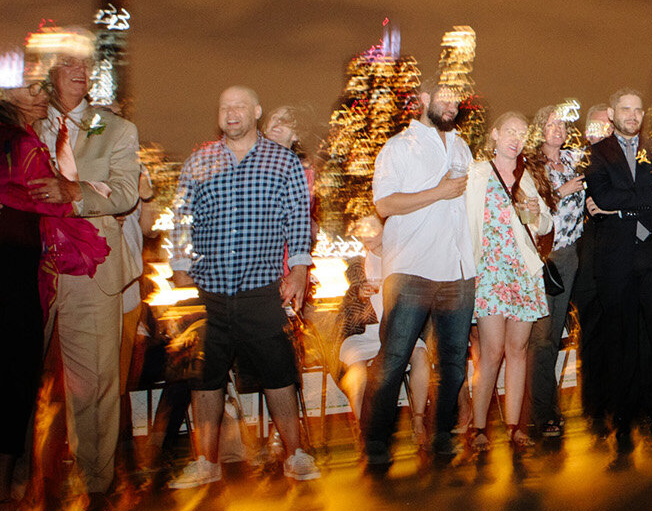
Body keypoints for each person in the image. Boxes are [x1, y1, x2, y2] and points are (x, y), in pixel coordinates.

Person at [167, 86, 321, 490]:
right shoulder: (199, 161)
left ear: (255, 111)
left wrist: (300, 269)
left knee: (279, 374)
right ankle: (206, 461)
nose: (231, 113)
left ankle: (295, 453)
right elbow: (182, 217)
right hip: (210, 290)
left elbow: (298, 220)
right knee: (206, 378)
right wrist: (180, 265)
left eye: (239, 106)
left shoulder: (282, 161)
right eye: (224, 107)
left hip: (261, 288)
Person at [28, 28, 141, 511]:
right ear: (47, 72)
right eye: (67, 64)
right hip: (29, 270)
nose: (79, 71)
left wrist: (75, 193)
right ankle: (29, 496)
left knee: (94, 387)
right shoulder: (24, 124)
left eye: (84, 65)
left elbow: (121, 192)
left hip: (89, 273)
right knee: (26, 389)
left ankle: (95, 497)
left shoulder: (112, 128)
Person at [1, 86, 105, 511]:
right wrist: (83, 193)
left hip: (21, 278)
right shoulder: (19, 145)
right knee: (13, 401)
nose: (41, 92)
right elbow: (46, 195)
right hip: (13, 281)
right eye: (30, 86)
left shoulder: (21, 141)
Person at [364, 81, 476, 475]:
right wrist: (438, 191)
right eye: (444, 97)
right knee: (393, 359)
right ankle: (376, 443)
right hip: (411, 267)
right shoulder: (398, 147)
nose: (452, 104)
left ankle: (442, 435)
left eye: (456, 99)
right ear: (425, 100)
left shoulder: (462, 147)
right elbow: (384, 202)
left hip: (458, 270)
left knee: (454, 364)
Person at [583, 89, 652, 469]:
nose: (633, 115)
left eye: (638, 109)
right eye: (625, 109)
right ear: (612, 114)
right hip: (616, 259)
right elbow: (604, 196)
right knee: (621, 341)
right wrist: (647, 194)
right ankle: (622, 423)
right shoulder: (597, 153)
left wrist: (625, 203)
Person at [465, 111, 552, 462]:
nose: (516, 138)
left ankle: (515, 427)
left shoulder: (526, 177)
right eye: (510, 132)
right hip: (490, 272)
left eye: (522, 133)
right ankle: (478, 426)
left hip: (523, 273)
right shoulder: (477, 174)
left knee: (518, 351)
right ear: (496, 135)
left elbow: (544, 222)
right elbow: (464, 222)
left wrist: (535, 212)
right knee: (492, 352)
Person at [335, 216, 430, 444]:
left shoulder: (403, 258)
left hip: (398, 329)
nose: (366, 233)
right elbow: (349, 301)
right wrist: (358, 294)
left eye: (372, 227)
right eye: (362, 229)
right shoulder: (357, 263)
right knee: (356, 372)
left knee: (420, 355)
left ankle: (418, 421)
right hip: (363, 333)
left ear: (386, 229)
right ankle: (365, 432)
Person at [529, 104, 586, 442]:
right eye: (551, 124)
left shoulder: (573, 160)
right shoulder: (530, 165)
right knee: (545, 338)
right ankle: (544, 412)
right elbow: (525, 211)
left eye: (563, 125)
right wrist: (560, 193)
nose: (558, 130)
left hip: (578, 252)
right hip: (549, 257)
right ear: (540, 130)